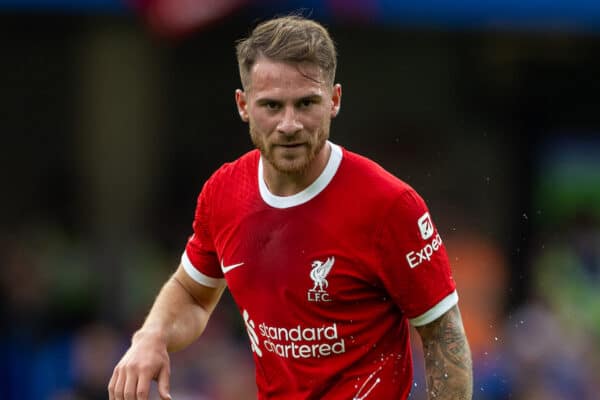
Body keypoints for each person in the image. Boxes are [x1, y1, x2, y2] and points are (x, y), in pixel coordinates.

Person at [108, 15, 473, 400]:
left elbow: (442, 337)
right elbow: (193, 293)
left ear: (334, 100)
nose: (289, 124)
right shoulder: (224, 193)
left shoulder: (390, 205)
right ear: (243, 104)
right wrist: (151, 337)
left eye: (305, 103)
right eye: (271, 105)